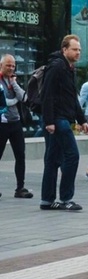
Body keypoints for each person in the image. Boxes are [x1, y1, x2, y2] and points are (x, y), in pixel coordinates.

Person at [40, 34, 88, 211]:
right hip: (57, 120)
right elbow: (47, 94)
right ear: (64, 49)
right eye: (75, 49)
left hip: (62, 119)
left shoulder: (69, 68)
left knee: (52, 159)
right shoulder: (57, 66)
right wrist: (49, 121)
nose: (78, 53)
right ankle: (66, 198)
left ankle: (47, 200)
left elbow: (72, 98)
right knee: (72, 155)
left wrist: (82, 120)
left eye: (79, 50)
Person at [0, 54, 33, 199]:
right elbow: (4, 102)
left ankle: (20, 188)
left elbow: (25, 98)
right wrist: (14, 99)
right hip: (2, 123)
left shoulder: (12, 81)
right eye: (8, 65)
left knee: (20, 155)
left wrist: (14, 84)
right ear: (1, 65)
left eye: (13, 65)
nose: (11, 68)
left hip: (15, 122)